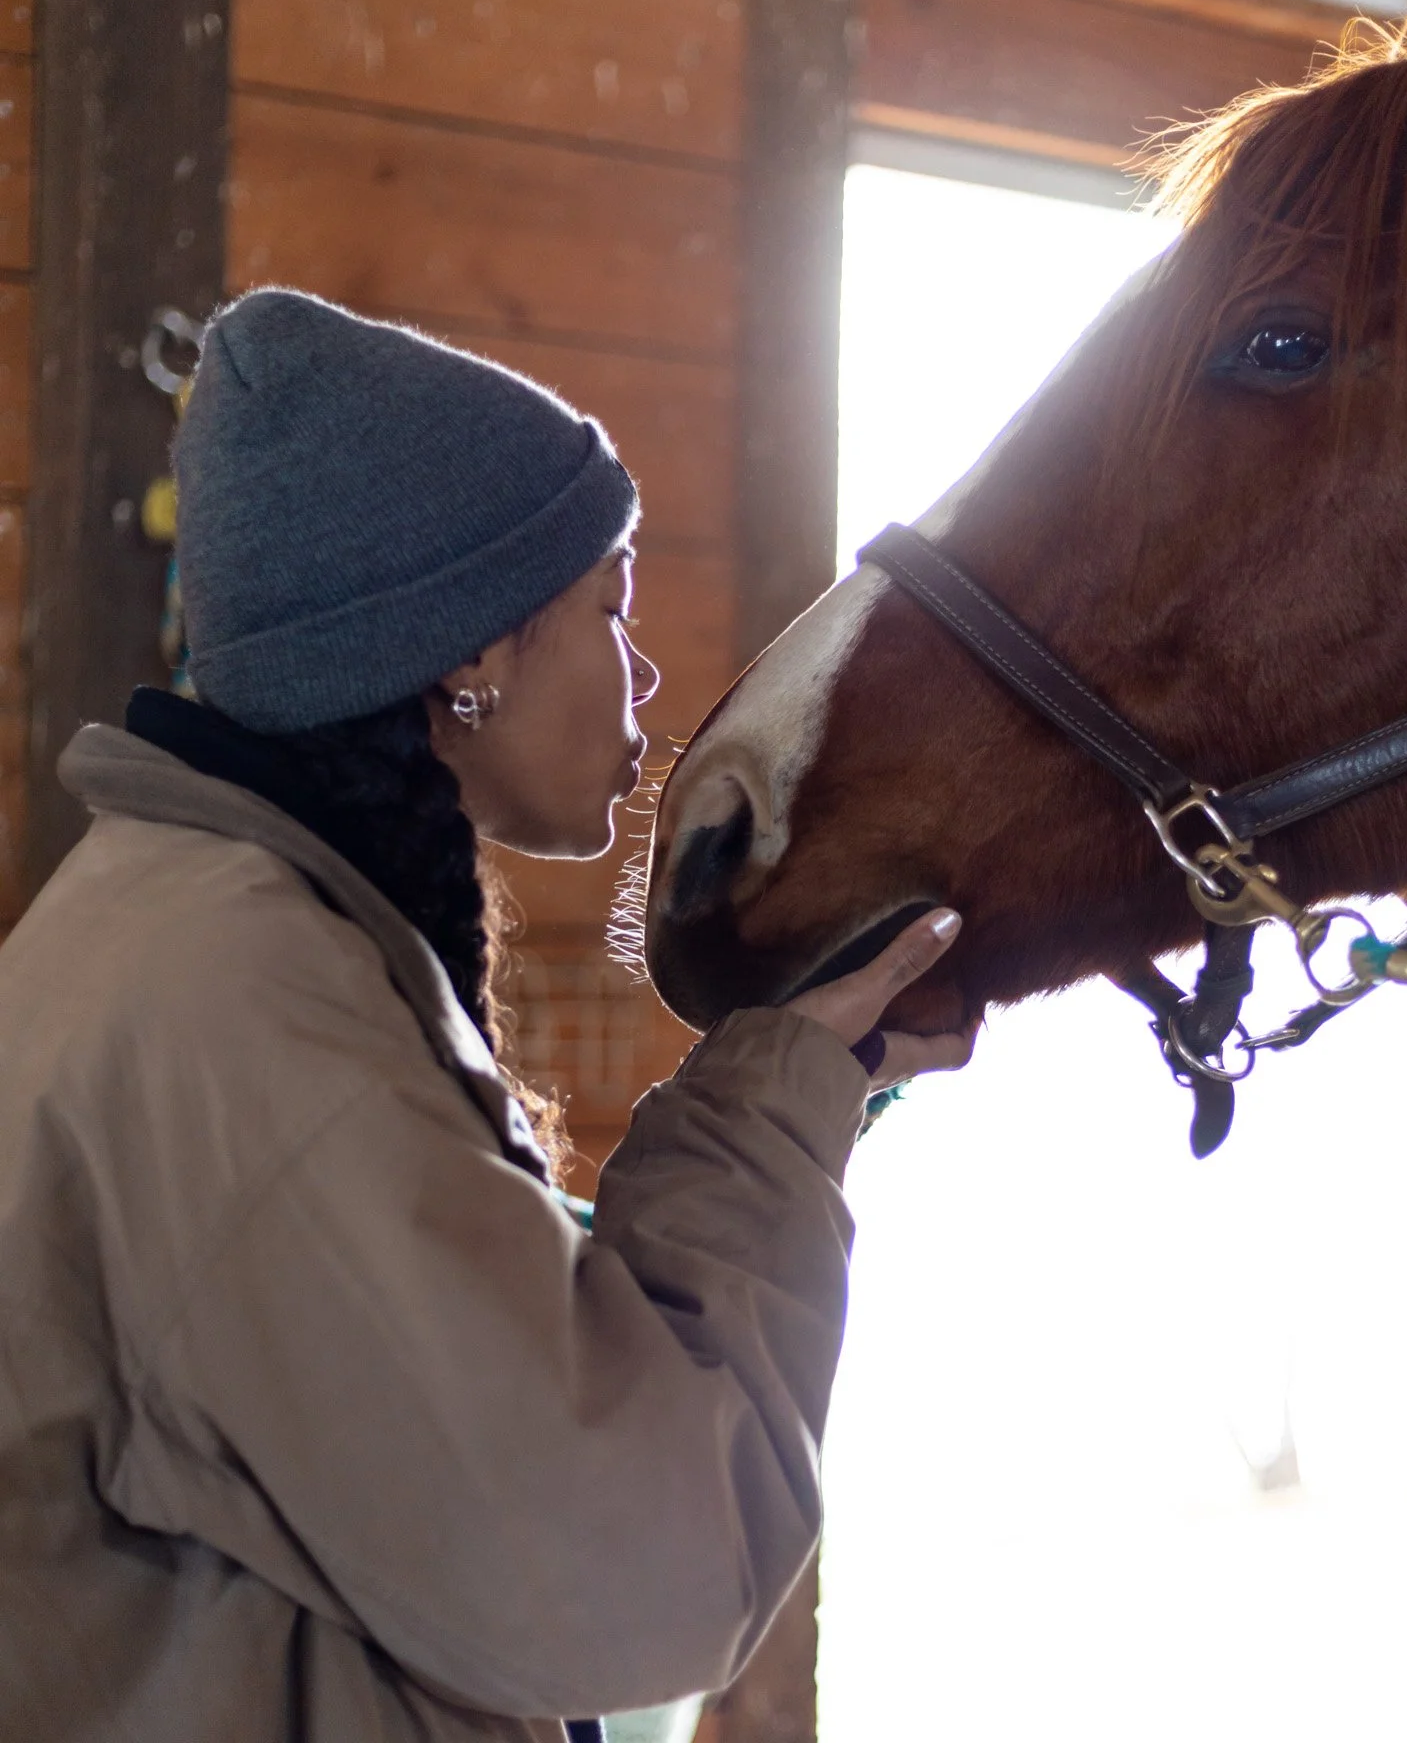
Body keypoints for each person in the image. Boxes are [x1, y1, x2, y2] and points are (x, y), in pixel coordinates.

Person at [0, 290, 974, 1743]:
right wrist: (761, 1124)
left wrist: (804, 1086)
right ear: (468, 653)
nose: (641, 673)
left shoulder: (187, 925)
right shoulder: (254, 1013)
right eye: (609, 606)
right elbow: (634, 1571)